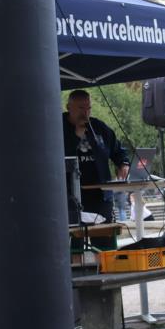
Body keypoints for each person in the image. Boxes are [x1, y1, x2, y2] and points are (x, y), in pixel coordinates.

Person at [62, 89, 130, 242]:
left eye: (88, 108)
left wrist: (123, 163)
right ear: (68, 107)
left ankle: (104, 257)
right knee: (74, 242)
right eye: (81, 108)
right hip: (71, 196)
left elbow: (118, 150)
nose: (85, 113)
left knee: (104, 240)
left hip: (100, 196)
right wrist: (76, 136)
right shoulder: (58, 127)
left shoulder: (98, 127)